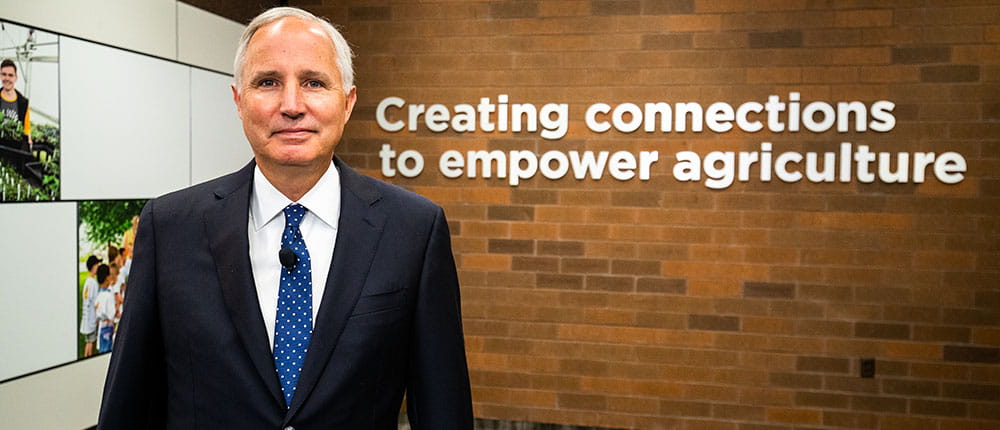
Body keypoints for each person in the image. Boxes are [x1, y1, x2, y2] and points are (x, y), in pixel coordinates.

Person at [98, 6, 472, 429]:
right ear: (239, 102)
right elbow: (129, 405)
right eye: (268, 82)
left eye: (314, 82)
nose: (291, 105)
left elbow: (443, 407)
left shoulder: (413, 230)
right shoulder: (169, 227)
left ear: (347, 103)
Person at [0, 59, 32, 150]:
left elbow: (26, 128)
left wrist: (29, 140)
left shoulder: (23, 103)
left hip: (14, 150)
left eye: (10, 75)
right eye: (4, 74)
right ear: (0, 76)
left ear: (16, 78)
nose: (7, 78)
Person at [79, 255, 101, 357]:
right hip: (91, 318)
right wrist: (97, 317)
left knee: (88, 341)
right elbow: (96, 302)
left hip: (86, 318)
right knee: (90, 342)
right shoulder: (93, 283)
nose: (98, 266)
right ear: (93, 266)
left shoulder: (88, 282)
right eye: (97, 264)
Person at [93, 264, 117, 354]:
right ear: (107, 278)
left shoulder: (99, 295)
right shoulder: (109, 295)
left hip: (101, 328)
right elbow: (111, 314)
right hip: (107, 330)